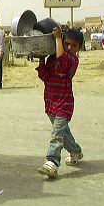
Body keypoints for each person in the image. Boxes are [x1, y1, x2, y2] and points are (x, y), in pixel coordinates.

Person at [36, 27, 84, 178]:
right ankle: (75, 151)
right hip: (51, 102)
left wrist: (57, 38)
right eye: (67, 44)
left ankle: (52, 162)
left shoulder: (72, 61)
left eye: (74, 45)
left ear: (79, 48)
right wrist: (42, 58)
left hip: (64, 105)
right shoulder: (52, 59)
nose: (69, 48)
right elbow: (45, 77)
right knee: (64, 134)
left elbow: (62, 60)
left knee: (57, 135)